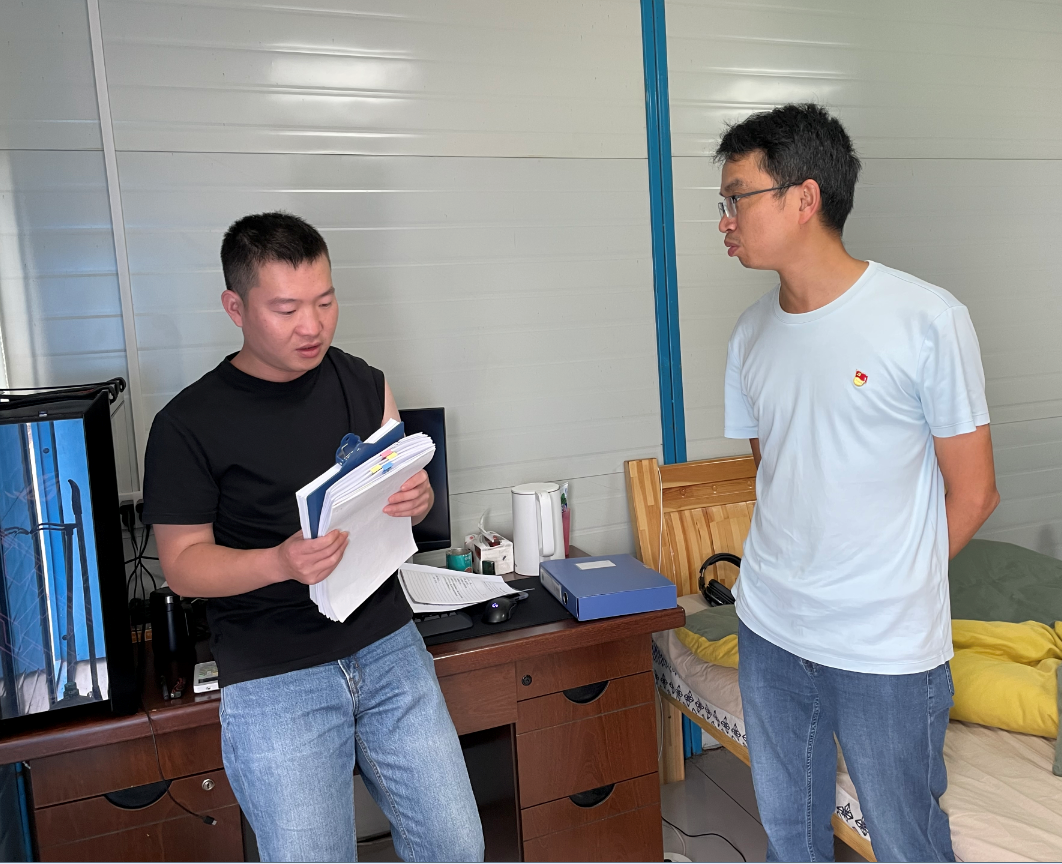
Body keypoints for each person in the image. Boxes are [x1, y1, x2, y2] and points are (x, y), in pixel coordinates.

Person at [141, 212, 484, 863]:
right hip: (275, 672)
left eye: (325, 302)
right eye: (287, 309)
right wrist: (280, 561)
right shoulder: (187, 425)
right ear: (235, 308)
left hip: (387, 644)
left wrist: (417, 498)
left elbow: (398, 491)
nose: (313, 325)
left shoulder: (364, 382)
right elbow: (183, 565)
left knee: (455, 846)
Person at [717, 104, 999, 862]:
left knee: (907, 842)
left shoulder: (927, 319)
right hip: (770, 628)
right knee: (790, 838)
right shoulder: (749, 335)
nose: (725, 221)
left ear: (803, 198)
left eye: (738, 197)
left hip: (884, 648)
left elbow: (975, 492)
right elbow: (778, 470)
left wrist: (890, 582)